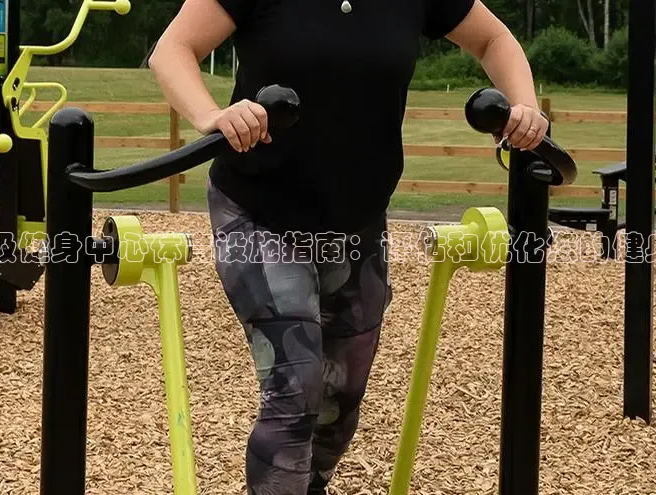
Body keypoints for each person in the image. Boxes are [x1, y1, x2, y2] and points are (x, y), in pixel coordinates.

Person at [149, 0, 548, 493]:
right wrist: (211, 115)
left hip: (356, 222)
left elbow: (493, 39)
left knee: (339, 400)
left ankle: (311, 484)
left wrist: (523, 106)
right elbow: (173, 49)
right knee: (295, 387)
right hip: (259, 213)